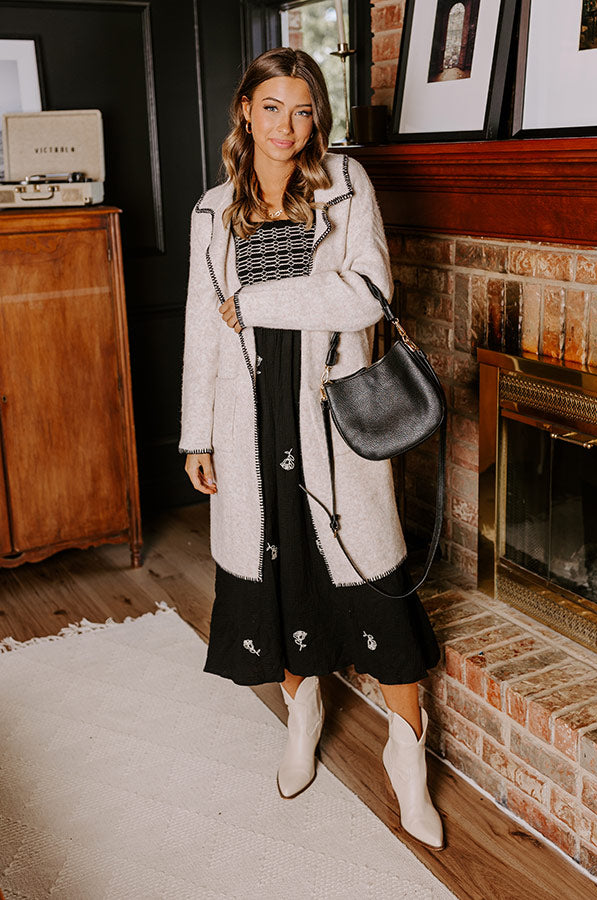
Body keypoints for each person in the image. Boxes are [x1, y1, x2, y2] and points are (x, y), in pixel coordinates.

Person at [179, 46, 444, 851]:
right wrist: (196, 434)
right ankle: (302, 717)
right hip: (247, 420)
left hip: (332, 415)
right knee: (282, 573)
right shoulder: (210, 212)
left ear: (316, 118)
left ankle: (408, 755)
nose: (286, 126)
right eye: (271, 108)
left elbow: (367, 291)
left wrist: (256, 301)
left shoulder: (345, 183)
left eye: (302, 111)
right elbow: (203, 331)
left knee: (374, 585)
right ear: (245, 110)